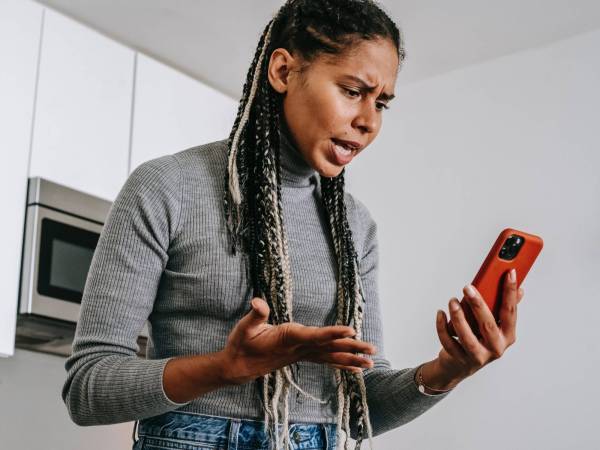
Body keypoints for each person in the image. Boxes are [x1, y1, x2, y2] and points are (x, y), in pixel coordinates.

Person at [62, 1, 525, 449]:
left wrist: (447, 370)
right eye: (352, 91)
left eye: (382, 103)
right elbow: (88, 386)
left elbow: (362, 412)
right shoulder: (167, 187)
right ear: (283, 71)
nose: (368, 121)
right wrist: (226, 367)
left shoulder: (354, 228)